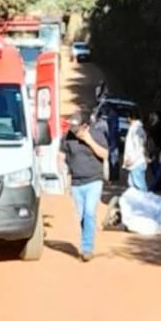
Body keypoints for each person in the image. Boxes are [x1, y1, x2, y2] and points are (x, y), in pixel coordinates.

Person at [60, 112, 109, 262]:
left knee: (89, 213)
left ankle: (87, 248)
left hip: (94, 180)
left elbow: (105, 154)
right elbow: (62, 154)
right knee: (82, 216)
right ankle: (87, 238)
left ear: (85, 126)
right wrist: (61, 166)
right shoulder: (67, 137)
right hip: (76, 183)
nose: (74, 131)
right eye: (72, 128)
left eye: (77, 128)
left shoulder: (97, 134)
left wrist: (88, 141)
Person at [122, 109, 148, 191]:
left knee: (139, 185)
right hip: (136, 162)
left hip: (137, 162)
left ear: (130, 118)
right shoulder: (135, 128)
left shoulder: (136, 129)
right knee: (132, 184)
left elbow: (139, 147)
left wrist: (132, 160)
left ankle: (145, 201)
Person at [146, 111, 161, 189]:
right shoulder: (160, 125)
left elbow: (151, 131)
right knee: (155, 164)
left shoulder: (159, 125)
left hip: (156, 147)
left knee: (155, 164)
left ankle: (157, 183)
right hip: (155, 146)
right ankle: (158, 182)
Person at [106, 106, 120, 183]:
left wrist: (112, 144)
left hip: (112, 141)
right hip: (113, 141)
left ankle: (112, 177)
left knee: (112, 160)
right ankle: (113, 177)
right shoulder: (114, 117)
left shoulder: (112, 116)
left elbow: (113, 131)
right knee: (114, 160)